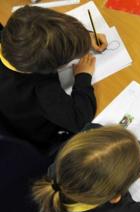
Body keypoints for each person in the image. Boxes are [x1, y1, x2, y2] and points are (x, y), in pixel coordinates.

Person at [0, 6, 108, 150]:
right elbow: (80, 119)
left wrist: (83, 36)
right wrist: (83, 76)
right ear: (51, 69)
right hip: (47, 140)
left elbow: (45, 33)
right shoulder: (41, 89)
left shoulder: (12, 37)